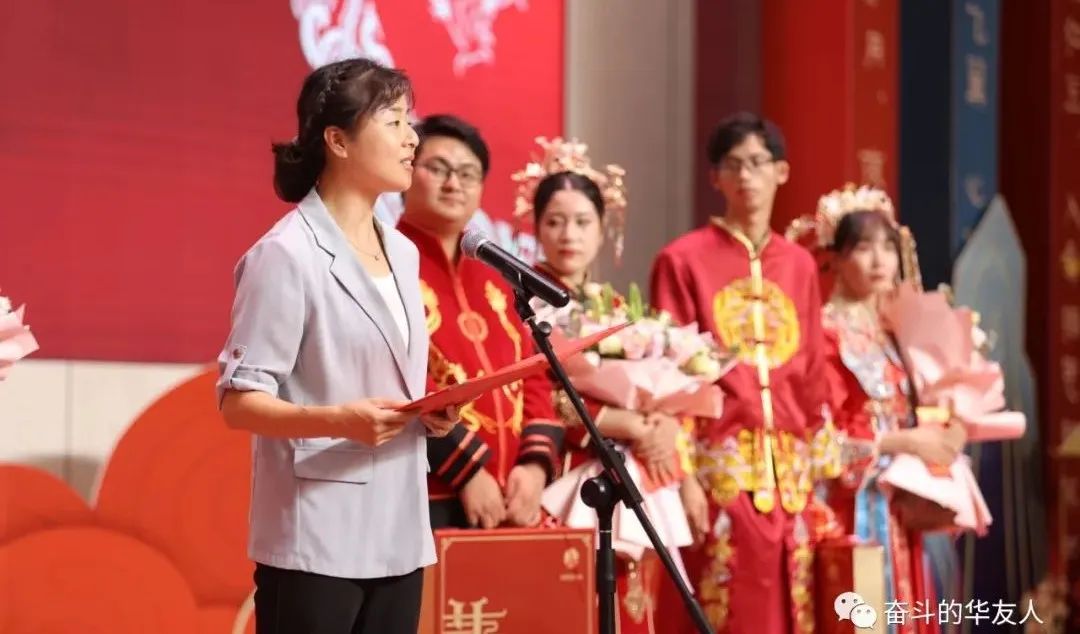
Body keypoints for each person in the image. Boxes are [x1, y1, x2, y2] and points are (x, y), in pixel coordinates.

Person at [215, 59, 460, 634]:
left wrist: (428, 411)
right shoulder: (285, 255)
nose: (412, 138)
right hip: (317, 534)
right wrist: (340, 420)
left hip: (400, 527)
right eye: (394, 122)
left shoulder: (403, 253)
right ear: (338, 141)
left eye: (410, 122)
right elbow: (238, 402)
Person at [649, 112, 840, 634]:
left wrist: (820, 477)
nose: (746, 176)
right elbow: (671, 379)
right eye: (733, 165)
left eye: (758, 162)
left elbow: (812, 373)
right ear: (715, 177)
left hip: (792, 484)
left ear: (782, 171)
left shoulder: (799, 265)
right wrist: (682, 477)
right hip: (720, 477)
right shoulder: (682, 261)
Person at [514, 137, 692, 633]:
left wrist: (663, 423)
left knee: (633, 603)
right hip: (564, 473)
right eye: (554, 221)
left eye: (582, 221)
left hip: (628, 475)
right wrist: (629, 422)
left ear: (602, 227)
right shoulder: (522, 302)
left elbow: (659, 386)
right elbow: (540, 398)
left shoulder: (614, 307)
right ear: (536, 228)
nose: (568, 235)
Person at [787, 184, 968, 634]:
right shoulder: (823, 334)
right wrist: (902, 442)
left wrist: (949, 428)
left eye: (888, 247)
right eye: (863, 247)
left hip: (898, 505)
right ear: (835, 257)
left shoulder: (892, 331)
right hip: (850, 508)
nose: (879, 260)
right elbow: (818, 441)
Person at [396, 114, 565, 529]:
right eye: (438, 168)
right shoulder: (386, 264)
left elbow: (533, 372)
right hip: (430, 492)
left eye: (468, 173)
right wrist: (468, 470)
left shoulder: (496, 274)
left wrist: (535, 466)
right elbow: (396, 375)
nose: (454, 183)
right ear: (405, 172)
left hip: (513, 498)